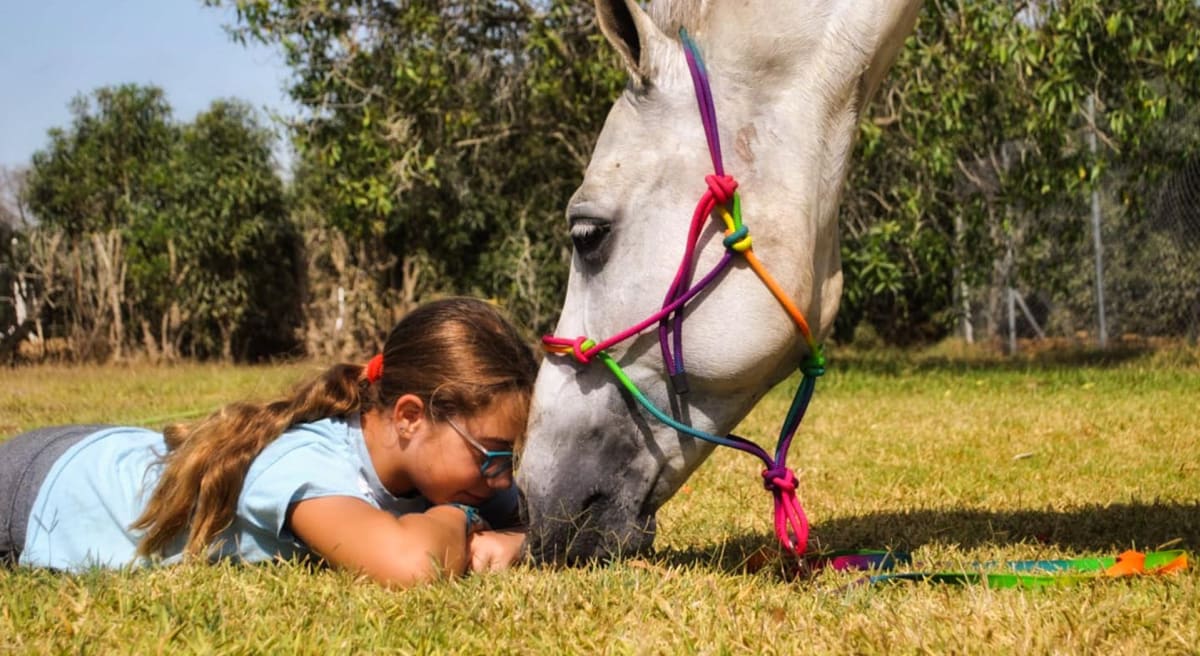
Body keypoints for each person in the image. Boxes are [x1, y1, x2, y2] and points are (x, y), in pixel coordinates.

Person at [0, 297, 538, 588]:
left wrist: (517, 540)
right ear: (410, 418)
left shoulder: (437, 465)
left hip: (106, 453)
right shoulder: (309, 470)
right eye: (492, 456)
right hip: (41, 492)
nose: (502, 480)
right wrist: (465, 523)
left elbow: (543, 517)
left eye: (509, 459)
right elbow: (412, 566)